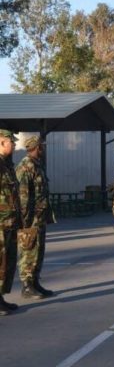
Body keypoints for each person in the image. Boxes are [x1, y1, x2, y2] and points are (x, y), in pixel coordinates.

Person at [16, 135, 55, 299]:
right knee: (28, 251)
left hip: (39, 217)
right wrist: (25, 220)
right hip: (30, 219)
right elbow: (23, 196)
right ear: (36, 147)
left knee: (38, 251)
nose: (43, 149)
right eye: (42, 147)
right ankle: (26, 286)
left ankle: (35, 282)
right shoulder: (25, 166)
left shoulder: (37, 165)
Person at [0, 129, 21, 314]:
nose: (14, 145)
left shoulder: (7, 165)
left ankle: (0, 298)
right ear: (1, 143)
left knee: (7, 262)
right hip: (1, 223)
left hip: (9, 222)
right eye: (11, 142)